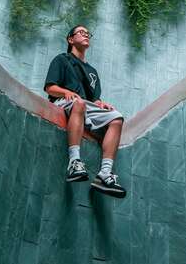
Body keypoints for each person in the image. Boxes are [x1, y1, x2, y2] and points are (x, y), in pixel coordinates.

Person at [44, 25, 126, 198]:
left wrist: (101, 104)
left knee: (117, 118)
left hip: (84, 105)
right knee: (79, 103)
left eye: (88, 33)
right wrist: (66, 92)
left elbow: (93, 98)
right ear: (70, 39)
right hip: (63, 102)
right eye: (81, 32)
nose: (86, 35)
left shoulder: (92, 72)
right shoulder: (62, 59)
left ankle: (104, 174)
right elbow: (50, 88)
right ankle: (74, 163)